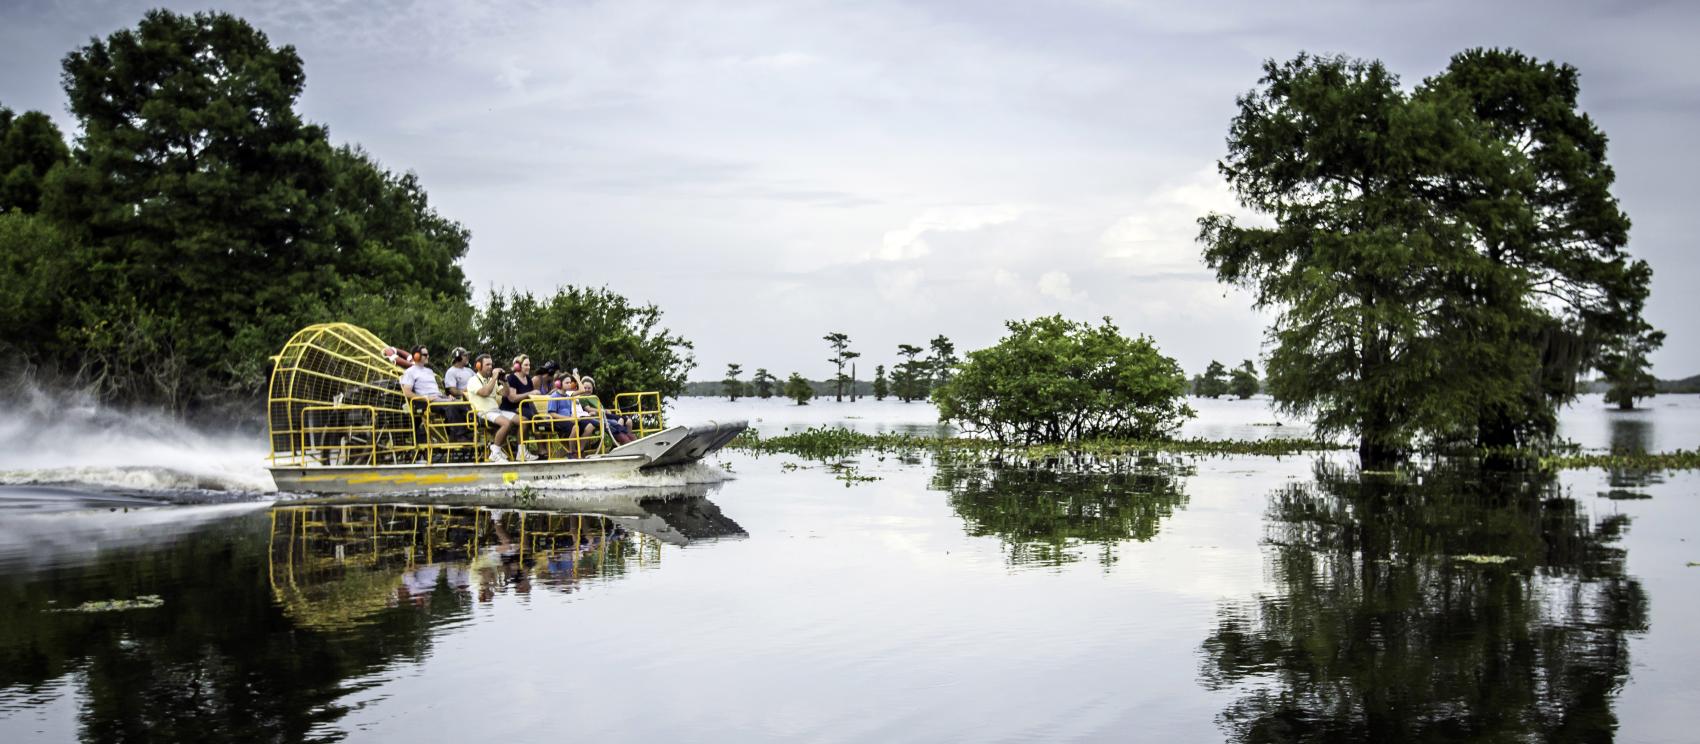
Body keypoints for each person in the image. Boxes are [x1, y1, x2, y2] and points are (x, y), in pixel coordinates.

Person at [466, 354, 518, 462]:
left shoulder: (491, 380)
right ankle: (495, 451)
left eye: (491, 364)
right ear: (479, 366)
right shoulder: (473, 380)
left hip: (496, 411)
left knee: (521, 420)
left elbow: (505, 393)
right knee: (506, 423)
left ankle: (521, 451)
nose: (490, 367)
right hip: (482, 412)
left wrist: (505, 381)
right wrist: (494, 377)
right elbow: (485, 392)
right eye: (487, 364)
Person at [577, 377, 636, 444]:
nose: (587, 390)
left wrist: (605, 410)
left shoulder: (594, 397)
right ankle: (621, 440)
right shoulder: (582, 398)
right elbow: (588, 409)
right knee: (617, 421)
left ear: (592, 388)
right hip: (597, 416)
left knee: (627, 421)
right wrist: (601, 411)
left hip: (603, 415)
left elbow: (600, 407)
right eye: (585, 388)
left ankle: (628, 437)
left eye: (589, 388)